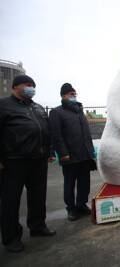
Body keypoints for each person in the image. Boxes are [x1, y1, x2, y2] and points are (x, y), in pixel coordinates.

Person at [0, 75, 56, 253]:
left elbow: (46, 131)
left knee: (38, 196)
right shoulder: (3, 105)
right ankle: (11, 238)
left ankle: (37, 226)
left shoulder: (37, 107)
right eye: (27, 84)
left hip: (38, 160)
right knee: (11, 200)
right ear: (15, 87)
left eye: (33, 85)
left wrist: (48, 152)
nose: (31, 87)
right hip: (13, 161)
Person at [49, 83, 96, 221]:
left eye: (75, 93)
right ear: (63, 96)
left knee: (84, 182)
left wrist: (90, 151)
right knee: (69, 183)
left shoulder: (79, 111)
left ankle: (81, 204)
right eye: (71, 94)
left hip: (84, 154)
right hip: (69, 155)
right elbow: (56, 135)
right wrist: (63, 153)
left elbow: (86, 133)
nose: (74, 95)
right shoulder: (56, 112)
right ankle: (71, 209)